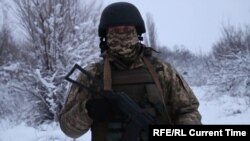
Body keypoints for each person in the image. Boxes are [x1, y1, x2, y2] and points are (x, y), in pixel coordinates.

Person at [59, 2, 202, 141]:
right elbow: (68, 129)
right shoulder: (93, 74)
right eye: (115, 30)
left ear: (137, 32)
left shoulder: (162, 70)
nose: (122, 34)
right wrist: (88, 111)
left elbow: (188, 110)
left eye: (127, 29)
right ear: (106, 36)